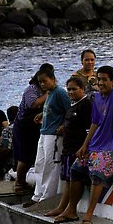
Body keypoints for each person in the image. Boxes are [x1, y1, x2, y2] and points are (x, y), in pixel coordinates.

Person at [69, 65, 113, 224]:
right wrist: (85, 145)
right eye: (99, 79)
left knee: (97, 175)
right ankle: (71, 209)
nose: (101, 83)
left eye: (104, 79)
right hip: (96, 142)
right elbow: (94, 123)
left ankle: (89, 214)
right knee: (75, 169)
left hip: (111, 143)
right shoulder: (96, 97)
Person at [44, 76, 93, 222]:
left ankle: (71, 210)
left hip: (77, 149)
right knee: (67, 179)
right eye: (69, 89)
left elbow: (89, 128)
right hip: (68, 147)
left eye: (74, 89)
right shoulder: (73, 105)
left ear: (82, 89)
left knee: (75, 178)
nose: (71, 92)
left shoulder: (86, 105)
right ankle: (62, 206)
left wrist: (85, 146)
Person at [23, 67, 72, 208]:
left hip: (54, 135)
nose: (42, 84)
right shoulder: (49, 93)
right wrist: (42, 115)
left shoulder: (60, 93)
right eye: (40, 82)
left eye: (45, 81)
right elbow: (52, 110)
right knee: (39, 164)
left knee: (50, 166)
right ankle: (37, 194)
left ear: (53, 79)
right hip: (44, 132)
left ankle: (47, 196)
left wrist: (64, 125)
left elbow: (69, 111)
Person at [12, 63, 52, 194]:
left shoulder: (46, 89)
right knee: (25, 155)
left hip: (36, 125)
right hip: (24, 125)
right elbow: (32, 104)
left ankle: (24, 181)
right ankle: (19, 183)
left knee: (34, 154)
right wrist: (47, 95)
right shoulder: (32, 89)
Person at [0, 105, 18, 178]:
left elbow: (5, 150)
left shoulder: (8, 130)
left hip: (13, 162)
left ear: (8, 117)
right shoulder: (28, 126)